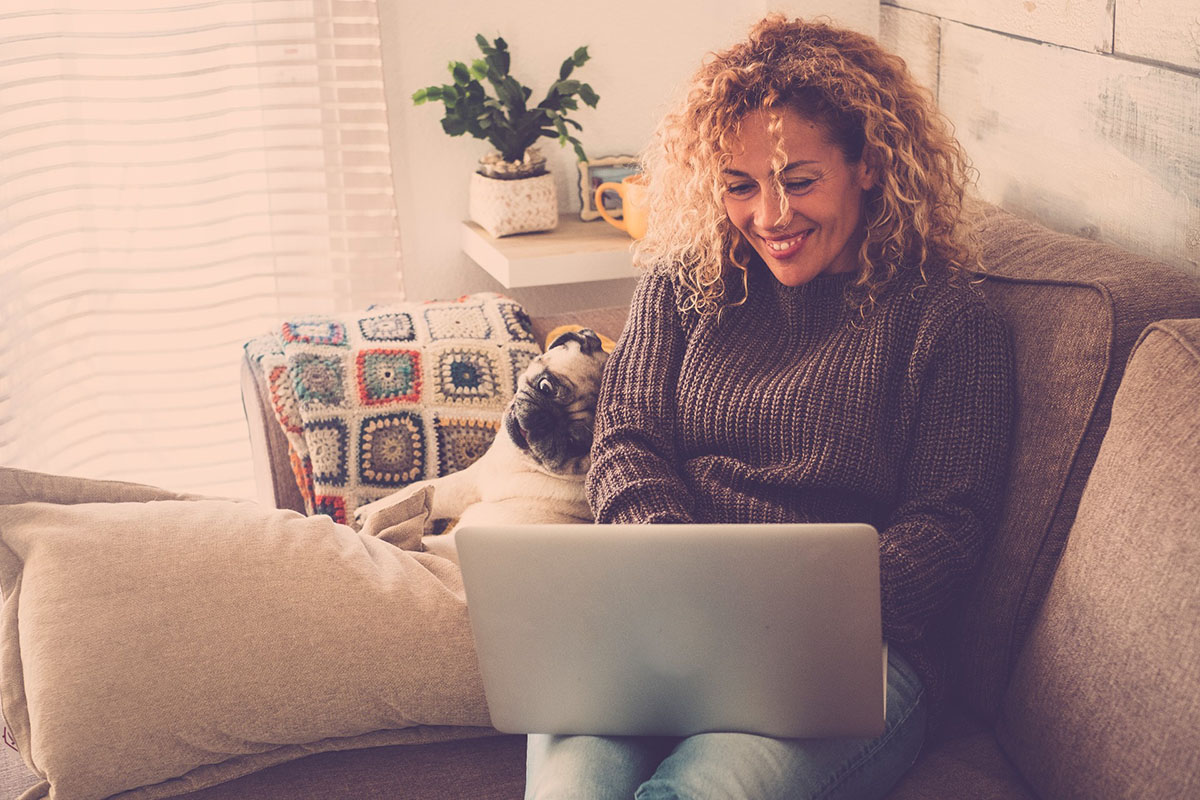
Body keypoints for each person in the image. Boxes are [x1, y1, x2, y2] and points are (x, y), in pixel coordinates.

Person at [525, 14, 1015, 800]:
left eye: (798, 180)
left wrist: (787, 620)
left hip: (849, 656)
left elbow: (947, 526)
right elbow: (627, 441)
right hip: (663, 621)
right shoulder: (682, 282)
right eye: (740, 185)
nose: (770, 218)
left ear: (868, 163)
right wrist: (683, 579)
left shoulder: (949, 320)